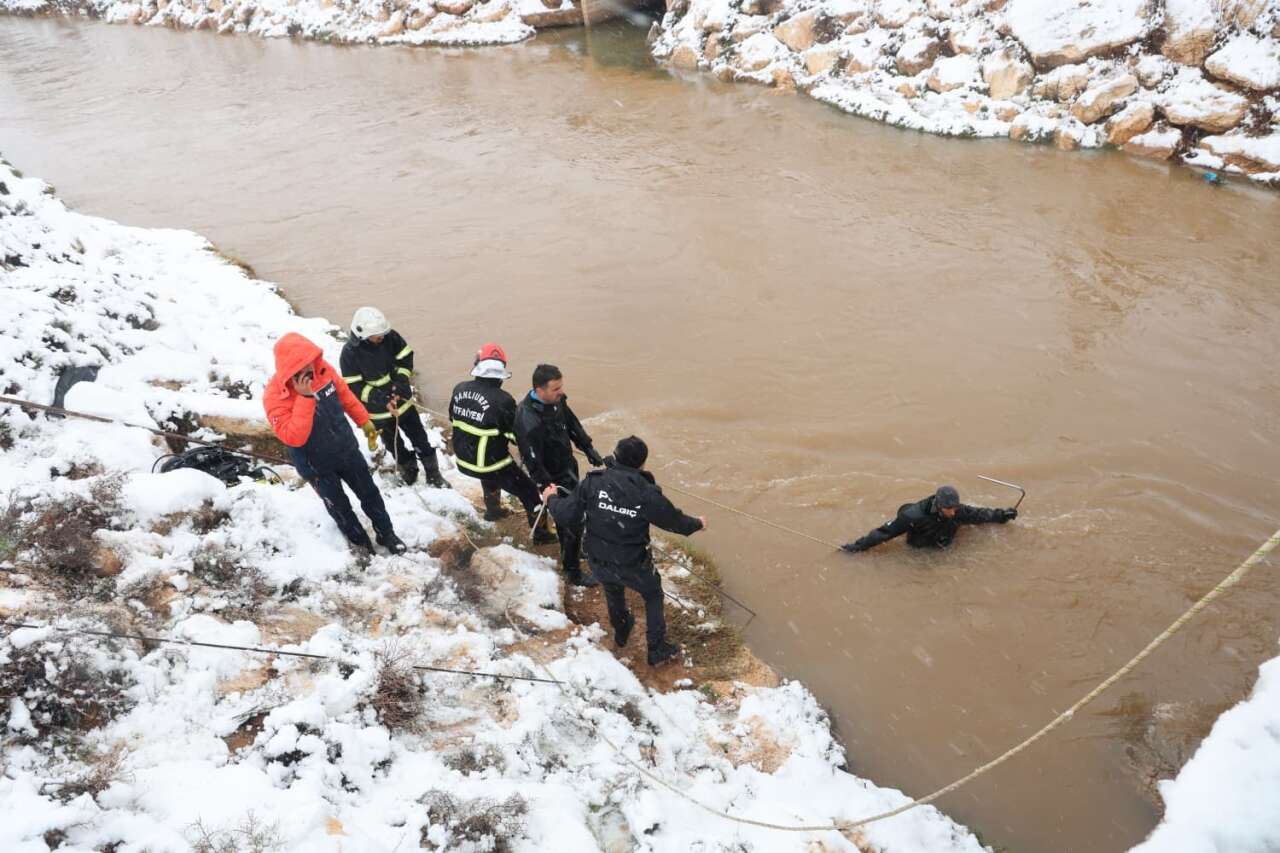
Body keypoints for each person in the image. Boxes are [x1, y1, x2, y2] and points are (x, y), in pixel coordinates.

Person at [545, 436, 706, 668]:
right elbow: (675, 522)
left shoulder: (593, 482)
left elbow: (566, 515)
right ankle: (657, 649)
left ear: (616, 455)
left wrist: (550, 498)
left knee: (613, 588)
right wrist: (698, 523)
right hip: (632, 562)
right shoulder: (645, 492)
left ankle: (621, 629)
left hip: (598, 558)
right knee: (652, 595)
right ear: (642, 463)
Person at [264, 332, 406, 555]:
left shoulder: (323, 370)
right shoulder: (274, 397)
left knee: (370, 494)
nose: (309, 370)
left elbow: (346, 396)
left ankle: (386, 533)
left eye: (310, 362)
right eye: (301, 367)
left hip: (346, 450)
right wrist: (304, 397)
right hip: (316, 465)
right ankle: (362, 545)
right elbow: (293, 437)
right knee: (340, 507)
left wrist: (364, 421)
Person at [514, 363, 604, 588]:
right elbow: (532, 460)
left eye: (561, 386)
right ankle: (572, 572)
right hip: (551, 478)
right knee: (570, 521)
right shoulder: (528, 420)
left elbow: (571, 422)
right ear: (539, 389)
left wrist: (587, 446)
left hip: (568, 467)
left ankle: (573, 546)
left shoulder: (557, 401)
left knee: (579, 512)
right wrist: (546, 487)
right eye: (556, 389)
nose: (561, 392)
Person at [339, 307, 447, 489]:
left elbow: (405, 358)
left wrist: (402, 380)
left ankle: (434, 476)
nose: (381, 337)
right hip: (378, 413)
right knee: (393, 443)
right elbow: (354, 386)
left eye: (382, 333)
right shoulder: (349, 354)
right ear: (361, 335)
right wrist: (380, 398)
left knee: (420, 439)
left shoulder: (390, 337)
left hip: (403, 403)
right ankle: (409, 470)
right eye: (376, 335)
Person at [449, 343, 548, 539]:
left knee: (489, 472)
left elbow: (453, 417)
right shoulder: (503, 400)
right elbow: (515, 436)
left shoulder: (459, 388)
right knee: (528, 490)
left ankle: (493, 511)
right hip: (488, 463)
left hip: (463, 460)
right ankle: (542, 534)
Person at [841, 485, 1016, 553]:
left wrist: (1002, 515)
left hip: (946, 542)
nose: (954, 512)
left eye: (955, 508)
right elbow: (884, 533)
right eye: (949, 509)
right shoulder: (913, 516)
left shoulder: (957, 509)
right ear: (939, 506)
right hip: (921, 547)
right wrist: (857, 547)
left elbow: (979, 514)